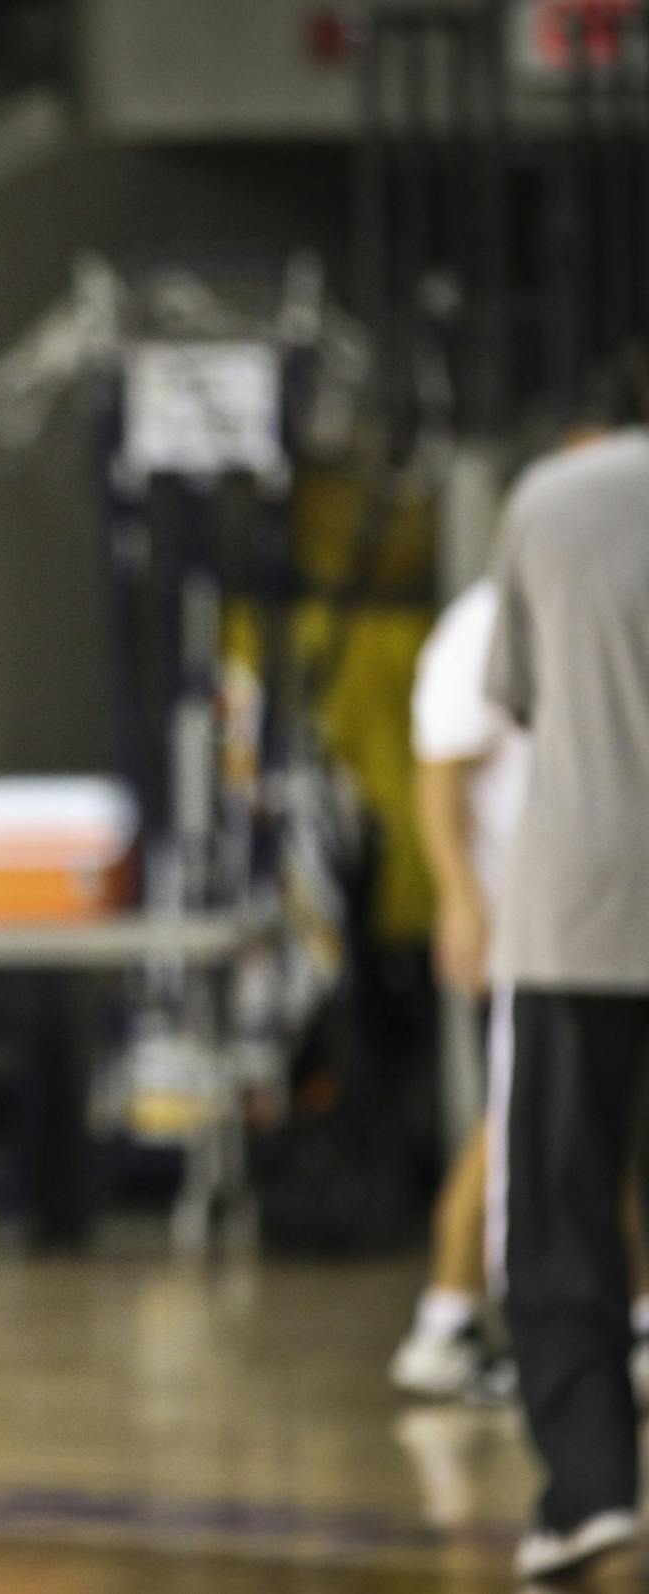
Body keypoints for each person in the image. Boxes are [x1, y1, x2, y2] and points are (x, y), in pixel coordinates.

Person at [485, 416, 649, 1583]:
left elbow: (521, 694)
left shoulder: (549, 499)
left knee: (561, 1209)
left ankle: (589, 1488)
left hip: (577, 914)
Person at [389, 576, 529, 1401]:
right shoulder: (486, 620)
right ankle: (445, 1317)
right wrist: (462, 902)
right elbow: (438, 776)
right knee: (523, 1110)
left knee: (591, 1116)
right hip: (523, 924)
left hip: (581, 916)